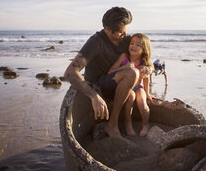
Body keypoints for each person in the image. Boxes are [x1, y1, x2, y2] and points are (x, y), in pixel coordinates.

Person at [64, 7, 153, 138]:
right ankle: (113, 125)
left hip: (120, 84)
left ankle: (112, 124)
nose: (125, 35)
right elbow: (70, 72)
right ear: (108, 30)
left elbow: (146, 57)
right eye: (121, 32)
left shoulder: (125, 40)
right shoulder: (95, 42)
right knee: (132, 73)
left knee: (133, 75)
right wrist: (94, 96)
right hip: (99, 84)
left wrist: (149, 68)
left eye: (126, 31)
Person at [108, 33, 153, 136]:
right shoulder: (124, 57)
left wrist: (147, 92)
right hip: (125, 88)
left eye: (138, 45)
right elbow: (111, 71)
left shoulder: (144, 61)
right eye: (132, 43)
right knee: (130, 97)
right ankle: (128, 124)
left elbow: (146, 78)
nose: (133, 46)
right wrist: (125, 67)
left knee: (142, 103)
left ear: (144, 49)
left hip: (138, 87)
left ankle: (146, 124)